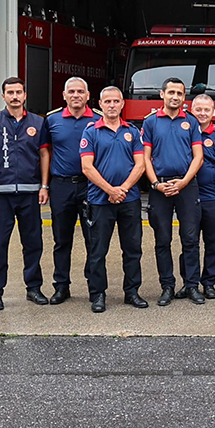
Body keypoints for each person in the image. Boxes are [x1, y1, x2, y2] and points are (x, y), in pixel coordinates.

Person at [79, 84, 148, 312]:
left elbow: (140, 164)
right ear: (99, 104)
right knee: (98, 251)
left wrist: (123, 189)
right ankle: (98, 294)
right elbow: (87, 168)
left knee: (132, 249)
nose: (111, 105)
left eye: (116, 101)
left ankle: (132, 292)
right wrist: (110, 190)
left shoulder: (132, 131)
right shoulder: (91, 132)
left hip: (129, 200)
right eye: (107, 101)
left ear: (122, 104)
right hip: (100, 200)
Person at [0, 76, 50, 310]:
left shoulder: (39, 122)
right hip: (0, 194)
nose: (15, 96)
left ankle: (33, 288)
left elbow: (44, 155)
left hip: (30, 192)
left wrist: (44, 185)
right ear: (3, 96)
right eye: (10, 92)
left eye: (18, 92)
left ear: (25, 95)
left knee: (33, 243)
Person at [141, 77, 205, 307]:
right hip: (160, 189)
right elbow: (145, 159)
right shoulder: (150, 123)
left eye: (179, 93)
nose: (175, 97)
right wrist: (156, 184)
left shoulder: (191, 121)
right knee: (163, 240)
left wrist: (184, 182)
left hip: (187, 187)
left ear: (183, 97)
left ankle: (191, 286)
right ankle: (167, 286)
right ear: (162, 94)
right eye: (171, 92)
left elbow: (198, 156)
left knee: (190, 239)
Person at [43, 77, 98, 305]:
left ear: (87, 96)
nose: (76, 95)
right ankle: (61, 286)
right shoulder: (52, 120)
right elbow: (44, 153)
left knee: (92, 239)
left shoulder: (98, 119)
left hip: (90, 187)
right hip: (61, 185)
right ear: (64, 96)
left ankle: (94, 288)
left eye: (81, 91)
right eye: (72, 91)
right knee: (61, 240)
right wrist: (44, 186)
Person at [189, 94, 215, 299]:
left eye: (207, 110)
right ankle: (190, 283)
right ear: (191, 110)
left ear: (213, 112)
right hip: (188, 198)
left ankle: (209, 282)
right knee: (190, 243)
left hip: (212, 198)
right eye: (198, 109)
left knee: (214, 242)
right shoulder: (184, 132)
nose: (202, 114)